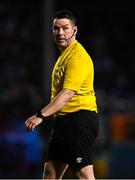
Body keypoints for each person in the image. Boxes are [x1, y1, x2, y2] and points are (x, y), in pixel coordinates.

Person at [25, 9, 99, 179]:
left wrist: (40, 115)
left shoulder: (77, 56)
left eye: (65, 28)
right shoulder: (64, 56)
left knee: (84, 175)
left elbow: (67, 94)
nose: (60, 32)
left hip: (79, 119)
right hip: (64, 121)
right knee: (50, 172)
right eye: (56, 28)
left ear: (75, 30)